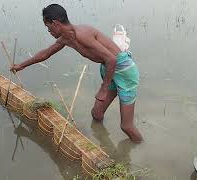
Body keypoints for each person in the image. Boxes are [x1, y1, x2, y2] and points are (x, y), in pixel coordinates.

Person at [10, 4, 142, 143]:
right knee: (96, 114)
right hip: (109, 69)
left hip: (124, 71)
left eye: (48, 27)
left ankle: (139, 147)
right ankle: (102, 144)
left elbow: (112, 59)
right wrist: (21, 66)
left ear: (55, 23)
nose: (48, 31)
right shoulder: (66, 38)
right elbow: (45, 53)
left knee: (126, 126)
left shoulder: (83, 34)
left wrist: (104, 89)